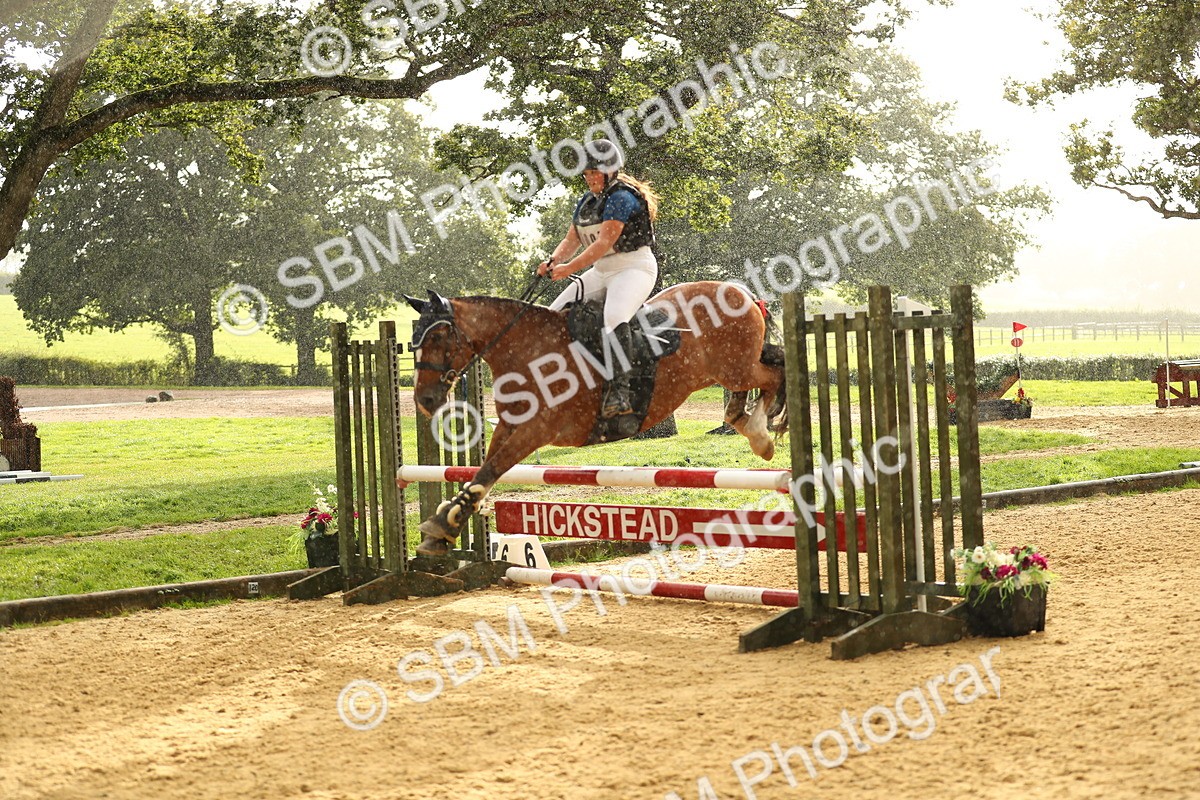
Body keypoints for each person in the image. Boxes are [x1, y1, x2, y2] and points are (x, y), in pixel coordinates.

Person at [537, 139, 660, 418]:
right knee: (551, 315)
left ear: (610, 171)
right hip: (602, 271)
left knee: (614, 317)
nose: (590, 177)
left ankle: (620, 393)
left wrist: (568, 269)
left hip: (634, 269)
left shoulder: (621, 197)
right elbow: (572, 239)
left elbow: (604, 243)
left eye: (594, 172)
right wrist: (553, 260)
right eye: (587, 173)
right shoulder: (587, 201)